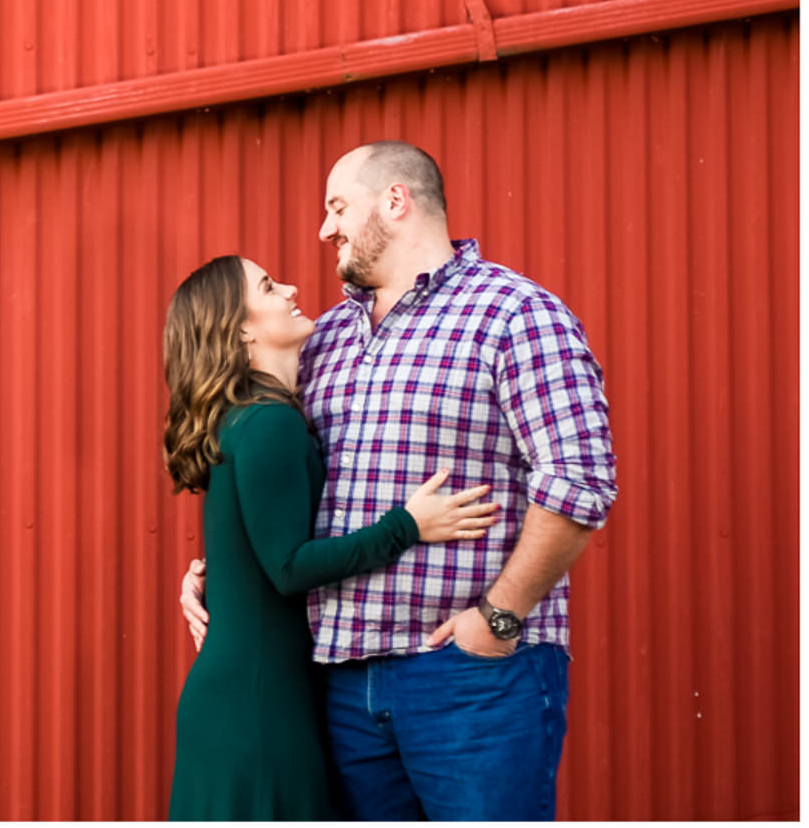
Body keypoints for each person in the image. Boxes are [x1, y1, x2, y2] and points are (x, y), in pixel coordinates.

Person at [178, 141, 620, 819]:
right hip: (340, 684)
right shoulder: (321, 340)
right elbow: (274, 497)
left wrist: (497, 619)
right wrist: (220, 578)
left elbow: (579, 482)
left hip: (469, 679)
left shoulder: (514, 314)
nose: (325, 230)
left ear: (395, 200)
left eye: (337, 207)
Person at [160, 255, 499, 818]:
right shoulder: (269, 421)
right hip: (256, 705)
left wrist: (210, 577)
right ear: (240, 329)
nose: (291, 288)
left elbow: (251, 546)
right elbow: (288, 567)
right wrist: (408, 525)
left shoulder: (251, 416)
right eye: (269, 287)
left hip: (252, 694)